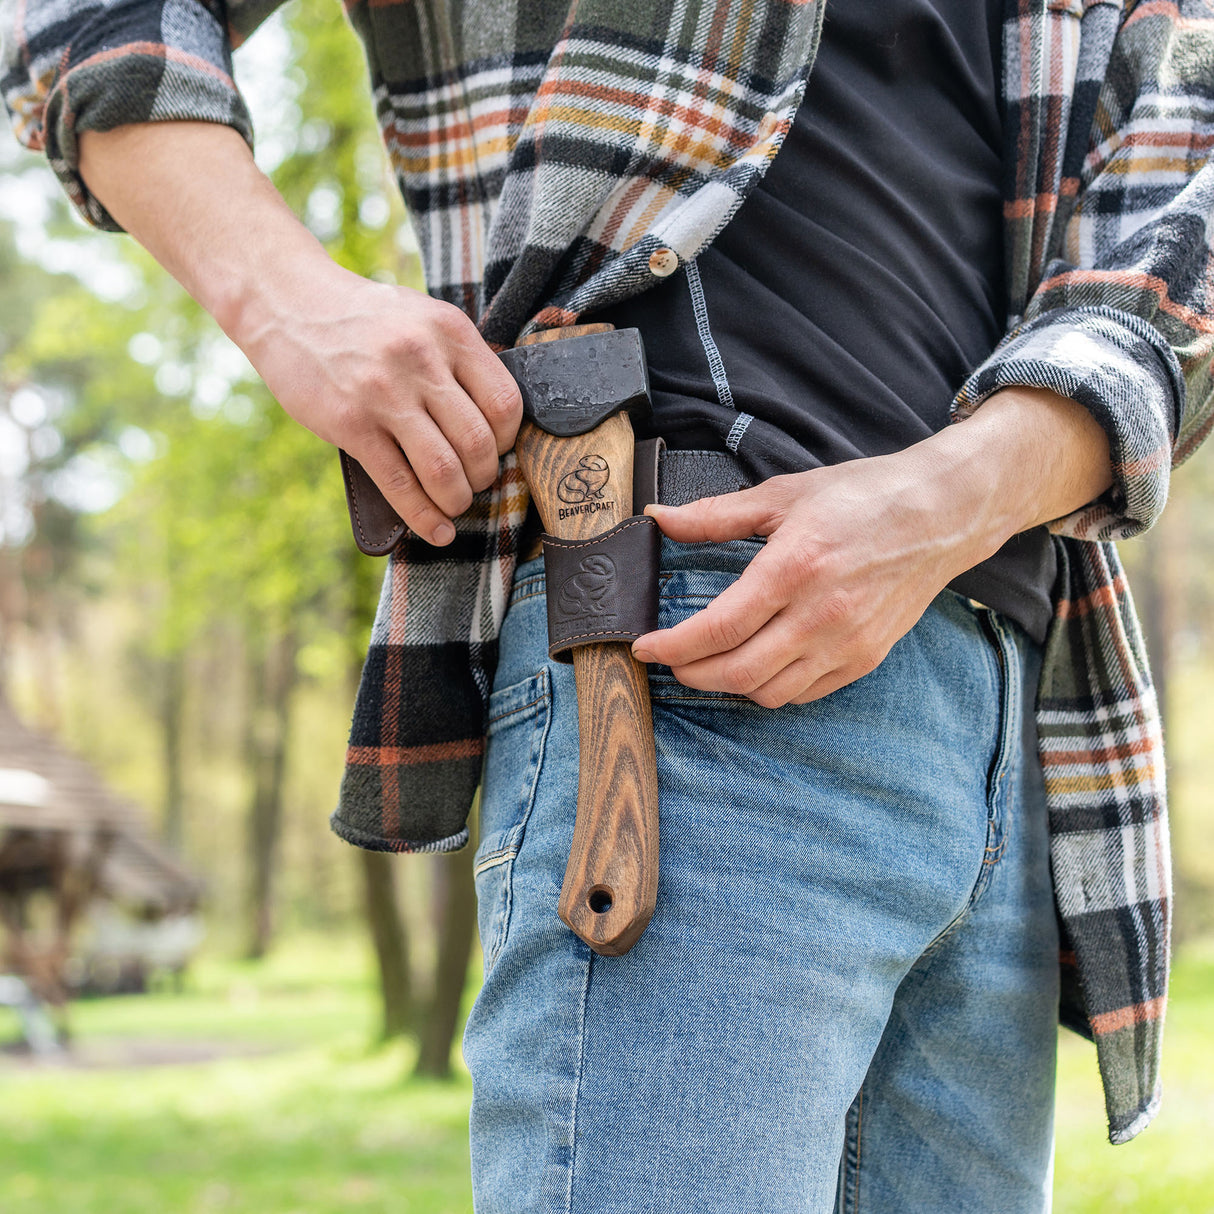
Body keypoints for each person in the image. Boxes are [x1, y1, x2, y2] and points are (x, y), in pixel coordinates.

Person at [4, 0, 1210, 1209]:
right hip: (677, 656)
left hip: (1022, 707)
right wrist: (284, 300)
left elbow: (1182, 196)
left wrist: (953, 495)